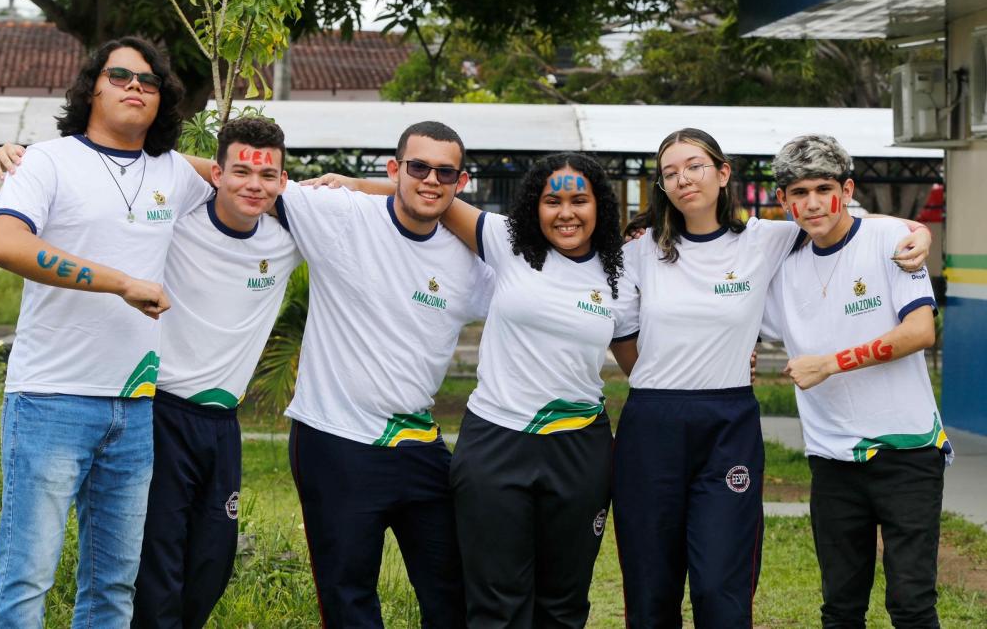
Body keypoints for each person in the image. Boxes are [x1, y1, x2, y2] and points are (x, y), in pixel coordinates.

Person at [610, 128, 930, 628]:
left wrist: (921, 230)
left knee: (721, 587)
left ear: (722, 173)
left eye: (695, 166)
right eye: (670, 172)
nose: (683, 179)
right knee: (652, 589)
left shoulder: (766, 238)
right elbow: (623, 338)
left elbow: (854, 222)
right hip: (652, 421)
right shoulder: (638, 252)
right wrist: (660, 380)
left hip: (727, 423)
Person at [320, 152, 638, 627]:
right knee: (494, 598)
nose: (566, 212)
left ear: (600, 207)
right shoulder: (509, 243)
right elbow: (434, 197)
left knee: (564, 599)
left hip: (580, 449)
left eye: (579, 200)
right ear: (535, 206)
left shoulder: (620, 278)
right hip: (496, 444)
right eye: (553, 201)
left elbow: (644, 371)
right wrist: (351, 183)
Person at [0, 36, 213, 627]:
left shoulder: (173, 172)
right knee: (26, 580)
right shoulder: (46, 161)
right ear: (93, 86)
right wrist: (119, 283)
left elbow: (253, 181)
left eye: (149, 81)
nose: (136, 87)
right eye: (121, 75)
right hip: (50, 399)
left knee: (113, 588)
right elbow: (4, 243)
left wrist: (389, 189)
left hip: (134, 407)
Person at [280, 121, 493, 627]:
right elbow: (240, 179)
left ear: (460, 183)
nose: (430, 180)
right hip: (335, 439)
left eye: (445, 172)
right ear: (394, 169)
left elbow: (537, 271)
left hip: (418, 444)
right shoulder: (341, 213)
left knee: (453, 592)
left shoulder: (471, 261)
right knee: (348, 597)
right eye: (418, 167)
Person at [762, 134, 949, 628]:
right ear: (783, 200)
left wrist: (829, 364)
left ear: (846, 189)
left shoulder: (890, 241)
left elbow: (920, 330)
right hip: (832, 459)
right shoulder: (781, 265)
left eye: (823, 187)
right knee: (841, 607)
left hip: (908, 451)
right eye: (798, 192)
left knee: (911, 604)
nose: (812, 202)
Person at [130, 118, 301, 627]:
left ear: (283, 182)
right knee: (159, 560)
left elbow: (392, 202)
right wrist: (16, 152)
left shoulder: (286, 240)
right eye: (241, 171)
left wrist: (360, 182)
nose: (254, 185)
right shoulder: (177, 221)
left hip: (224, 425)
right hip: (162, 412)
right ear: (215, 172)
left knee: (213, 558)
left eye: (268, 175)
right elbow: (120, 161)